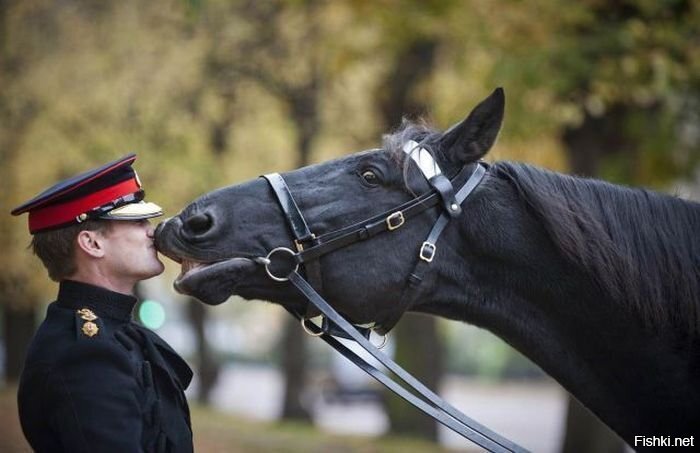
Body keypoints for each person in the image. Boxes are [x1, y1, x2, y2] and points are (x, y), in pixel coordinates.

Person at [11, 154, 193, 452]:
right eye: (137, 221)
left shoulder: (112, 336)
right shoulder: (85, 354)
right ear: (92, 243)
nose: (152, 231)